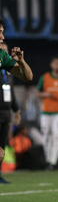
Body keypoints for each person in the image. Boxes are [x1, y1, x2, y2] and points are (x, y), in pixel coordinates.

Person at [0, 16, 33, 165]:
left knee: (1, 154)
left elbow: (27, 76)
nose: (3, 37)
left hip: (4, 112)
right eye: (0, 32)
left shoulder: (1, 55)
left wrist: (21, 61)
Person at [0, 42, 21, 183]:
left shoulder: (8, 73)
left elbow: (11, 92)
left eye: (6, 52)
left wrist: (16, 110)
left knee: (2, 148)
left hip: (6, 114)